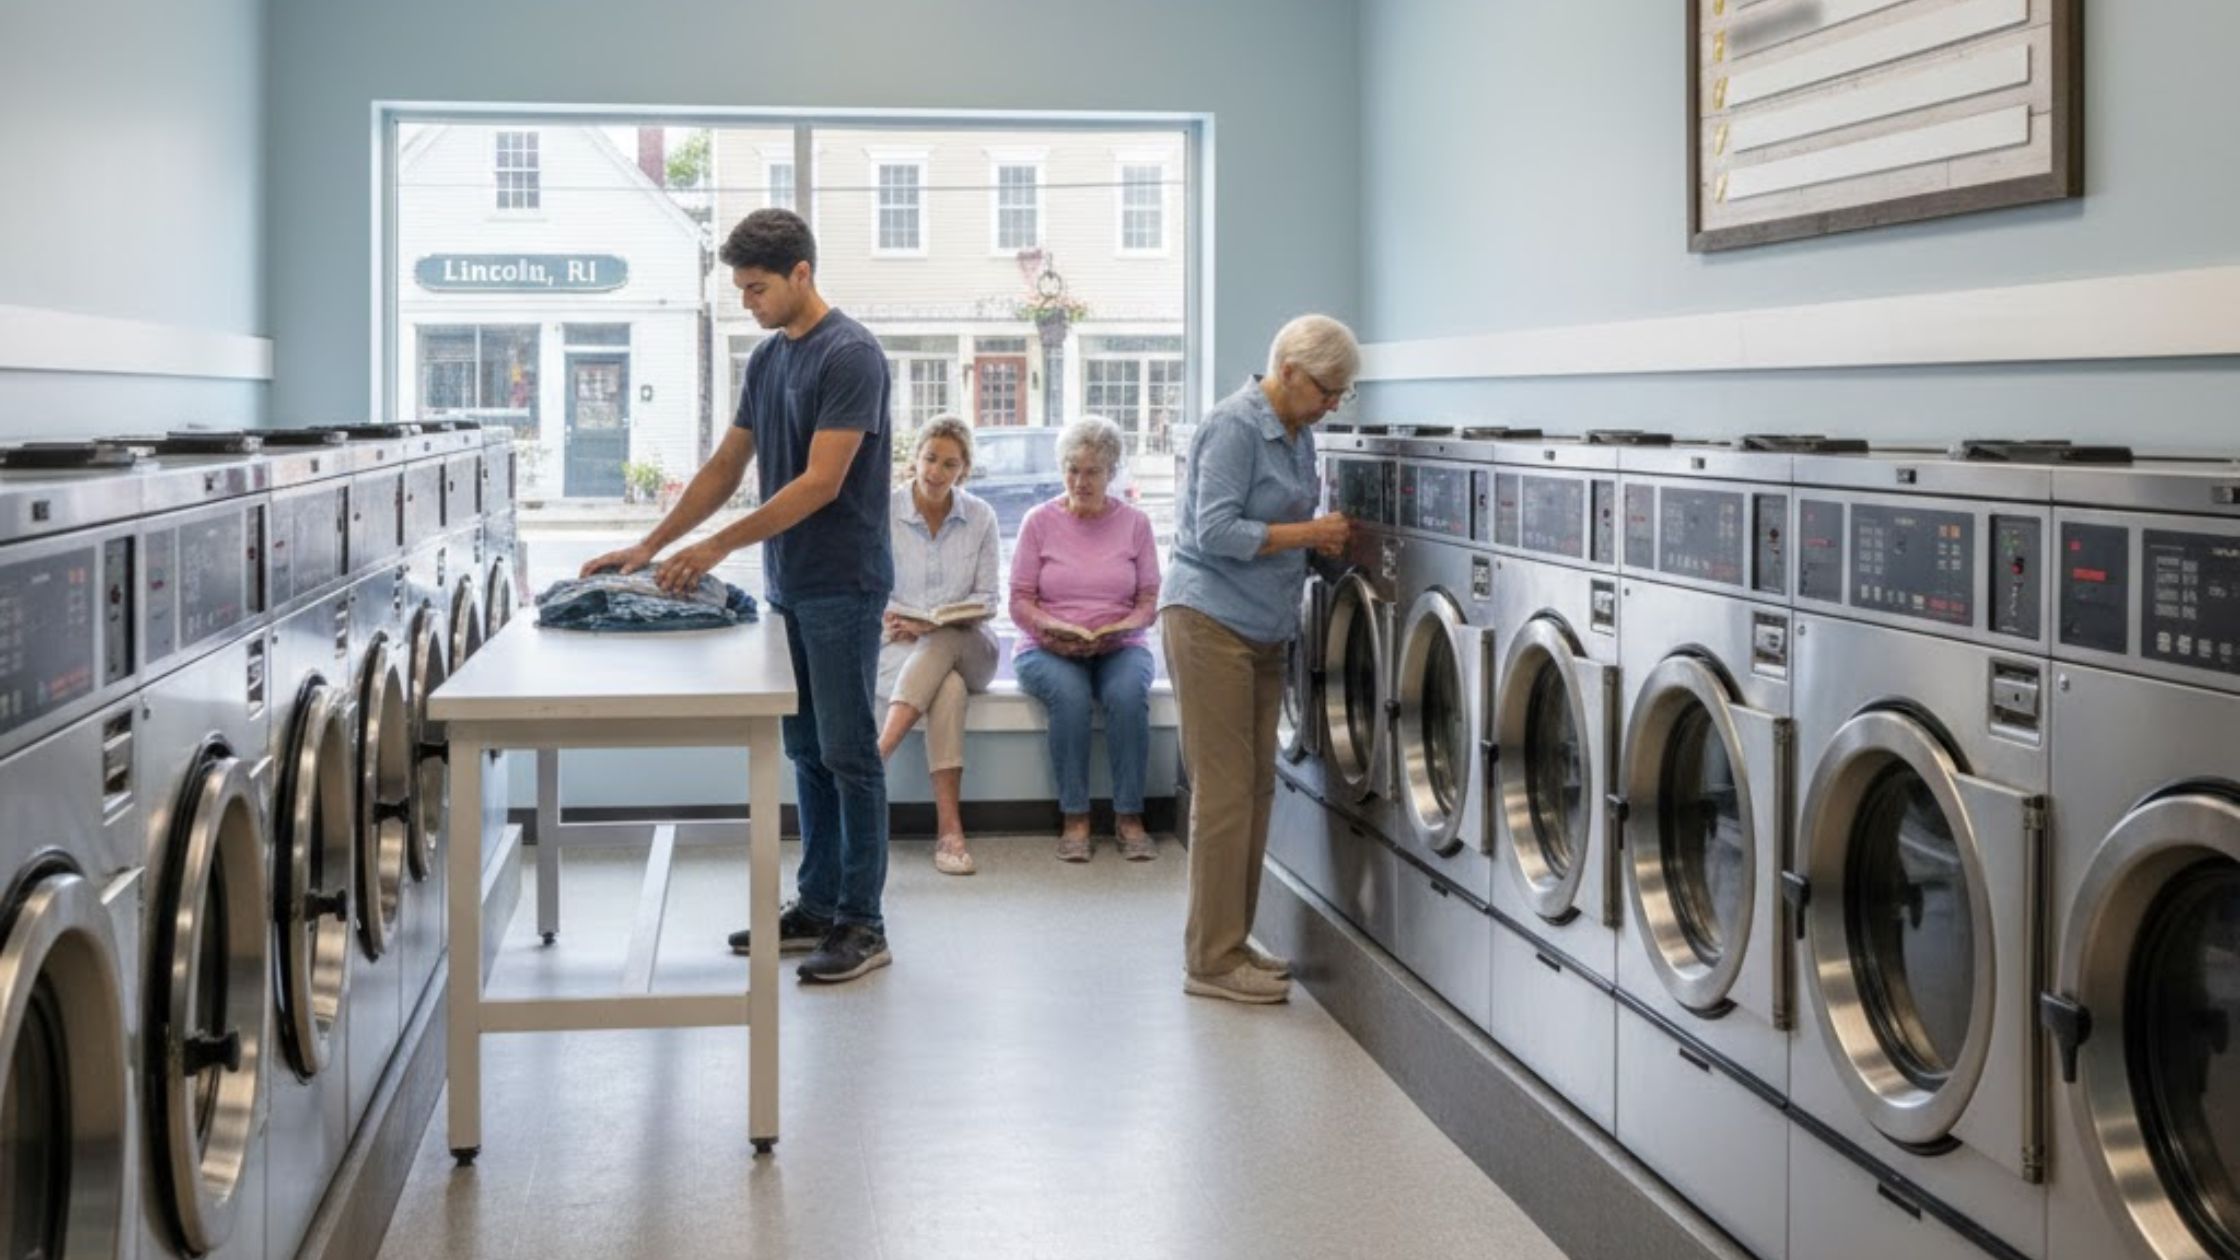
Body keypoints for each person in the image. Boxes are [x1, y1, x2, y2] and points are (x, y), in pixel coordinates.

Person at [580, 208, 895, 985]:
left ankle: (864, 922)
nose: (748, 302)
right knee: (805, 751)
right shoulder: (767, 360)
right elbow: (726, 465)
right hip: (790, 583)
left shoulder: (851, 356)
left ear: (801, 275)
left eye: (757, 289)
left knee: (851, 754)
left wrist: (718, 545)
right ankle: (819, 904)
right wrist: (649, 545)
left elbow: (822, 484)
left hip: (844, 583)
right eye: (742, 290)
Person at [1159, 315, 1357, 1005]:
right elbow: (1212, 530)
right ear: (1291, 372)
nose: (1335, 403)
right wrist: (1308, 533)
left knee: (1255, 789)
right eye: (1329, 389)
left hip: (1266, 628)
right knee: (1222, 796)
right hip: (1210, 620)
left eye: (1343, 394)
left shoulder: (1299, 435)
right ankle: (1208, 962)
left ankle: (1232, 940)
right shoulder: (1235, 426)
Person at [1008, 416, 1161, 863]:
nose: (1081, 480)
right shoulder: (1039, 522)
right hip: (1046, 647)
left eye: (1092, 471)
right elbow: (1019, 602)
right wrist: (1053, 632)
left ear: (1112, 473)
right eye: (1072, 469)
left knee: (1128, 693)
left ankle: (1129, 816)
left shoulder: (1135, 524)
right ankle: (1075, 817)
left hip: (1120, 644)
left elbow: (1149, 600)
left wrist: (1122, 627)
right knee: (1071, 698)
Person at [878, 415, 1001, 876]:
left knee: (945, 638)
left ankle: (878, 755)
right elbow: (868, 588)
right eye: (930, 458)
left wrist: (933, 623)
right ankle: (950, 830)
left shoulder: (981, 517)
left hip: (972, 647)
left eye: (949, 464)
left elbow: (988, 600)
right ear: (915, 459)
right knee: (946, 689)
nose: (936, 471)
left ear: (962, 471)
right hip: (899, 646)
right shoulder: (883, 511)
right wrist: (902, 620)